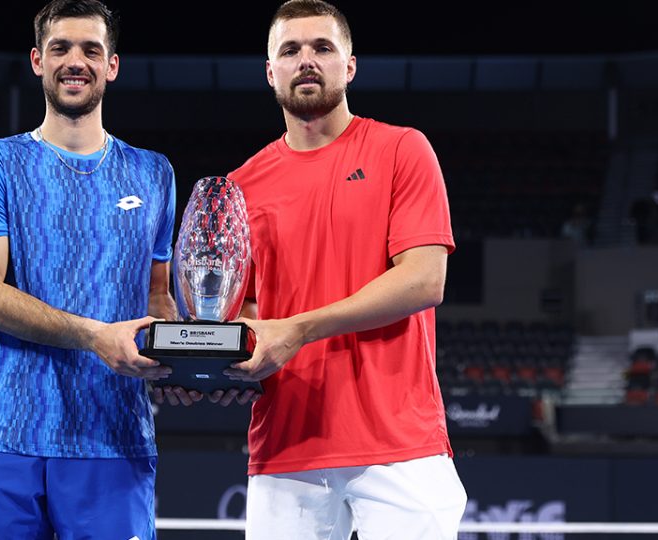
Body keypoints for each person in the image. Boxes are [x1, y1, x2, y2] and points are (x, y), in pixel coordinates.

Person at [219, 1, 468, 538]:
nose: (306, 60)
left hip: (400, 443)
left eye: (322, 48)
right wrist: (221, 364)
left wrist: (299, 328)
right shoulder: (241, 186)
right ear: (270, 72)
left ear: (348, 66)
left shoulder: (403, 149)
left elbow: (425, 279)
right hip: (288, 442)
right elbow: (245, 311)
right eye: (290, 50)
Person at [0, 1, 176, 538]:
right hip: (6, 434)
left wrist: (182, 363)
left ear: (111, 65)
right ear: (37, 61)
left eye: (92, 50)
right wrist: (94, 335)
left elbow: (156, 300)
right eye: (61, 48)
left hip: (114, 437)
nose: (76, 61)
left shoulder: (154, 172)